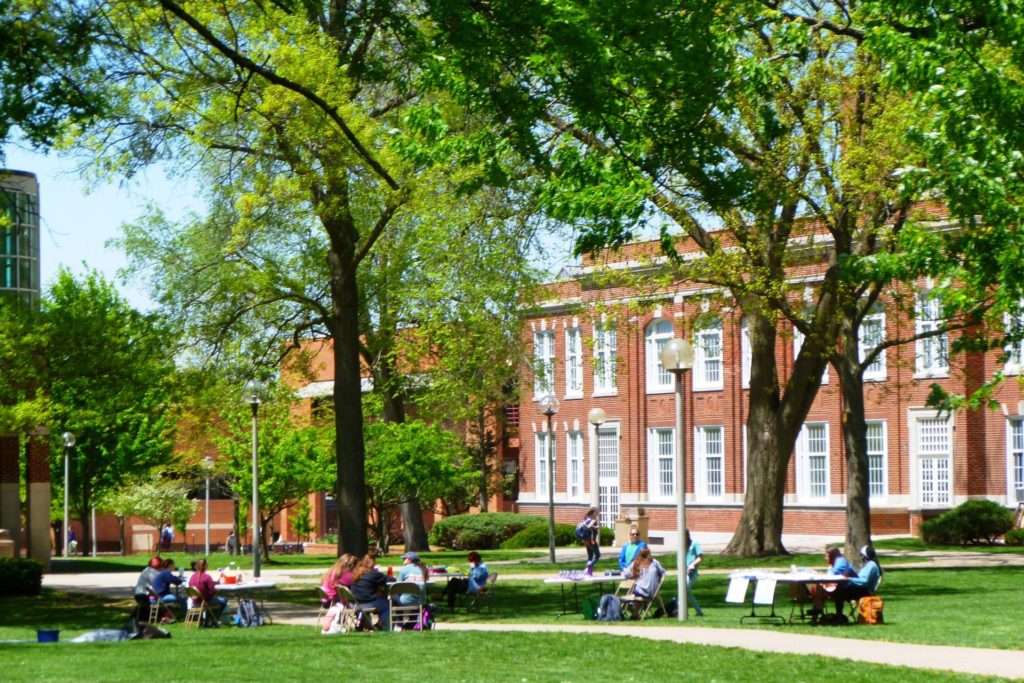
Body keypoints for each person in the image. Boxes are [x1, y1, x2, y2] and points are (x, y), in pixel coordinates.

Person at [808, 545, 856, 614]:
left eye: (827, 556)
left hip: (851, 588)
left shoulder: (841, 561)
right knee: (819, 588)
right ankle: (817, 610)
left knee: (819, 588)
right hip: (841, 587)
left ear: (834, 555)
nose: (825, 558)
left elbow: (831, 574)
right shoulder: (834, 562)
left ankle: (817, 611)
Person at [833, 545, 883, 611]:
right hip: (860, 588)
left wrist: (849, 579)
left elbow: (864, 581)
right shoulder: (869, 564)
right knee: (848, 573)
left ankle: (839, 615)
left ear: (865, 556)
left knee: (838, 591)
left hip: (864, 591)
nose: (861, 557)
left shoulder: (871, 565)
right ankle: (837, 584)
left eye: (862, 555)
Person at [350, 553, 390, 628]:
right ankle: (381, 625)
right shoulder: (374, 573)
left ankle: (363, 624)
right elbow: (389, 579)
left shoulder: (356, 573)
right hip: (367, 603)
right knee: (387, 604)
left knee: (380, 599)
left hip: (354, 604)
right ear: (373, 563)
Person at [188, 558, 227, 622]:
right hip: (204, 601)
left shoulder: (193, 576)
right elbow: (212, 591)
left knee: (215, 600)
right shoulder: (207, 577)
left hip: (195, 602)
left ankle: (209, 619)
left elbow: (191, 587)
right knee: (223, 600)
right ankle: (213, 620)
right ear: (205, 566)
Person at [132, 556, 162, 621]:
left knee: (143, 606)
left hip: (138, 593)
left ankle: (138, 617)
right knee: (159, 600)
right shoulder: (153, 572)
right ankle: (160, 616)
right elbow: (156, 585)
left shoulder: (146, 569)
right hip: (144, 594)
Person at [684, 529, 705, 617]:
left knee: (684, 590)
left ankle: (682, 611)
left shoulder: (694, 544)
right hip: (684, 572)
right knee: (685, 591)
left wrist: (693, 564)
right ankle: (698, 611)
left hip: (692, 572)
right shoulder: (681, 545)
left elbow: (700, 557)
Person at [580, 507, 601, 575]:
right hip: (592, 540)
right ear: (593, 512)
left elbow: (585, 527)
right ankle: (589, 567)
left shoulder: (586, 518)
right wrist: (596, 527)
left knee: (590, 556)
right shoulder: (593, 520)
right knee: (597, 555)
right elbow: (589, 527)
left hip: (585, 540)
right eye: (597, 513)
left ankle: (588, 572)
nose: (597, 514)